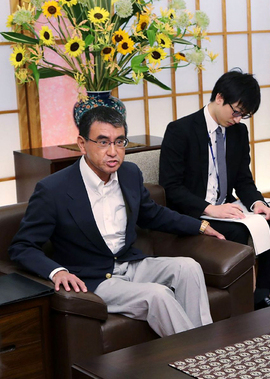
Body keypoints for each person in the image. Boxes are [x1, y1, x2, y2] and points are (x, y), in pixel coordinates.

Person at [9, 106, 225, 337]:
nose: (113, 151)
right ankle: (198, 361)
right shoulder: (53, 189)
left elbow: (152, 214)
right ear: (82, 144)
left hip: (131, 263)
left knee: (188, 267)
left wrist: (199, 225)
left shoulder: (130, 173)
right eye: (103, 142)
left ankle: (206, 347)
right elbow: (22, 247)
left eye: (119, 142)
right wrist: (57, 272)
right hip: (94, 277)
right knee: (158, 295)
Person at [159, 68, 270, 310]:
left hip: (228, 206)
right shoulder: (180, 131)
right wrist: (210, 209)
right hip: (195, 210)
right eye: (237, 112)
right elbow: (171, 188)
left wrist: (257, 203)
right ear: (219, 97)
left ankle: (261, 295)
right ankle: (237, 302)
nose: (238, 119)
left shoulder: (238, 132)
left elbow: (243, 178)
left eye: (245, 115)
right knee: (237, 234)